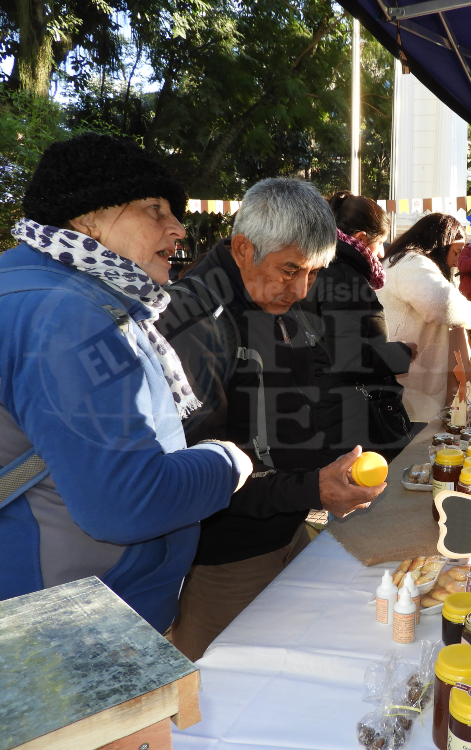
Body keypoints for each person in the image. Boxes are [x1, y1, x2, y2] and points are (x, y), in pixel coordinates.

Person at [0, 133, 252, 632]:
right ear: (87, 221)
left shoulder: (27, 296)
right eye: (154, 209)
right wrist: (227, 462)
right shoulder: (68, 317)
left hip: (39, 611)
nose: (178, 228)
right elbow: (128, 503)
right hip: (65, 630)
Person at [156, 178, 385, 660]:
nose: (300, 290)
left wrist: (335, 469)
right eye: (290, 270)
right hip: (225, 557)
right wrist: (313, 489)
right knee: (220, 691)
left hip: (286, 531)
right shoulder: (196, 322)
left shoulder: (271, 299)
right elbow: (197, 473)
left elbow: (301, 405)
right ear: (243, 249)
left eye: (313, 273)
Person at [301, 191, 415, 462]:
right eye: (380, 243)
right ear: (361, 239)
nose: (382, 252)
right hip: (348, 414)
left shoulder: (320, 268)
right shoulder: (344, 278)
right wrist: (403, 352)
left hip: (326, 405)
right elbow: (349, 358)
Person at [377, 214, 471, 424]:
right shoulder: (412, 263)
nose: (457, 262)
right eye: (456, 252)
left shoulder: (403, 261)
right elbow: (444, 304)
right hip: (408, 382)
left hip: (405, 375)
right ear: (440, 244)